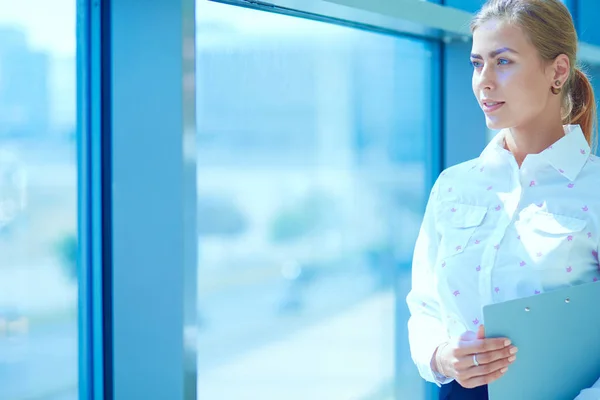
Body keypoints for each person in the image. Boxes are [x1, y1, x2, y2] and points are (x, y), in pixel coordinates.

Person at [406, 0, 600, 399]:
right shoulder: (453, 186)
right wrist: (443, 356)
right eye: (477, 63)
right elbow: (424, 304)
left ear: (558, 71)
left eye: (504, 62)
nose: (484, 81)